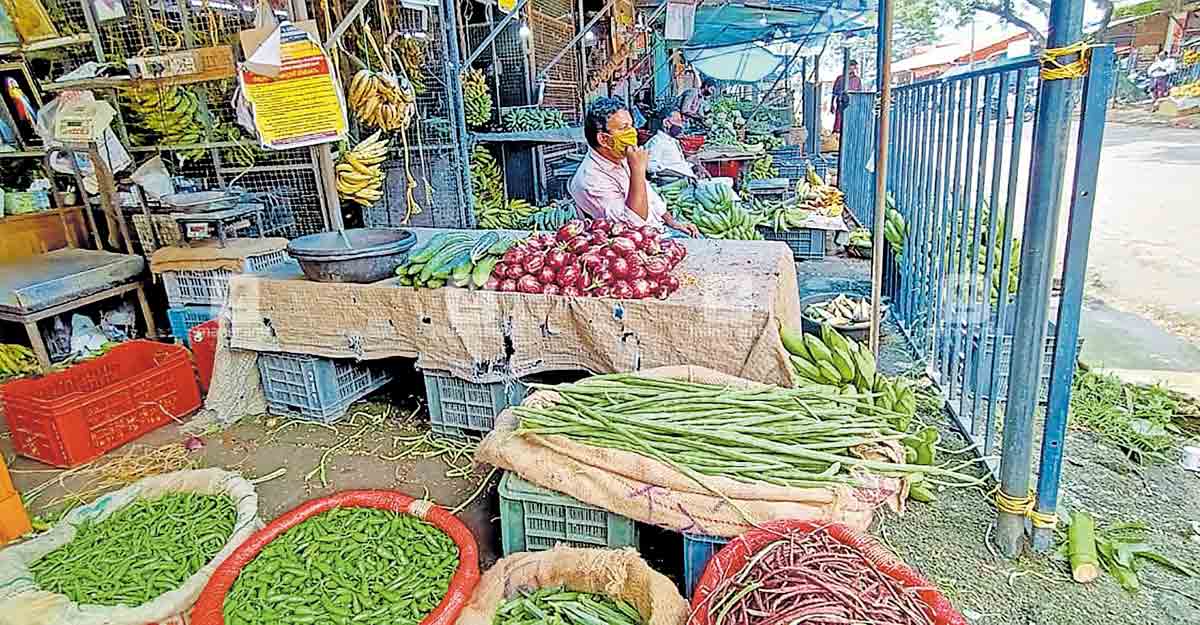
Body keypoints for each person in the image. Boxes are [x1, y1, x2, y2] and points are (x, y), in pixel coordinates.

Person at [569, 97, 701, 236]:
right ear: (603, 139)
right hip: (638, 243)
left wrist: (673, 223)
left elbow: (651, 197)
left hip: (660, 229)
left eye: (631, 126)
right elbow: (635, 224)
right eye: (624, 128)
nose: (633, 132)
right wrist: (638, 170)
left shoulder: (621, 156)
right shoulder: (590, 180)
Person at [644, 108, 706, 180]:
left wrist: (695, 166)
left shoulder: (672, 141)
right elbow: (651, 168)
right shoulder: (656, 142)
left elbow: (676, 164)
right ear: (666, 123)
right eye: (678, 121)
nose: (681, 125)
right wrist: (682, 176)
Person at [831, 60, 862, 134]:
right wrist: (832, 105)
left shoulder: (857, 80)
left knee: (850, 124)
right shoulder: (840, 79)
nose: (852, 69)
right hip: (841, 103)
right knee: (839, 122)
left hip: (853, 105)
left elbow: (859, 93)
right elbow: (834, 93)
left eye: (854, 67)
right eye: (851, 67)